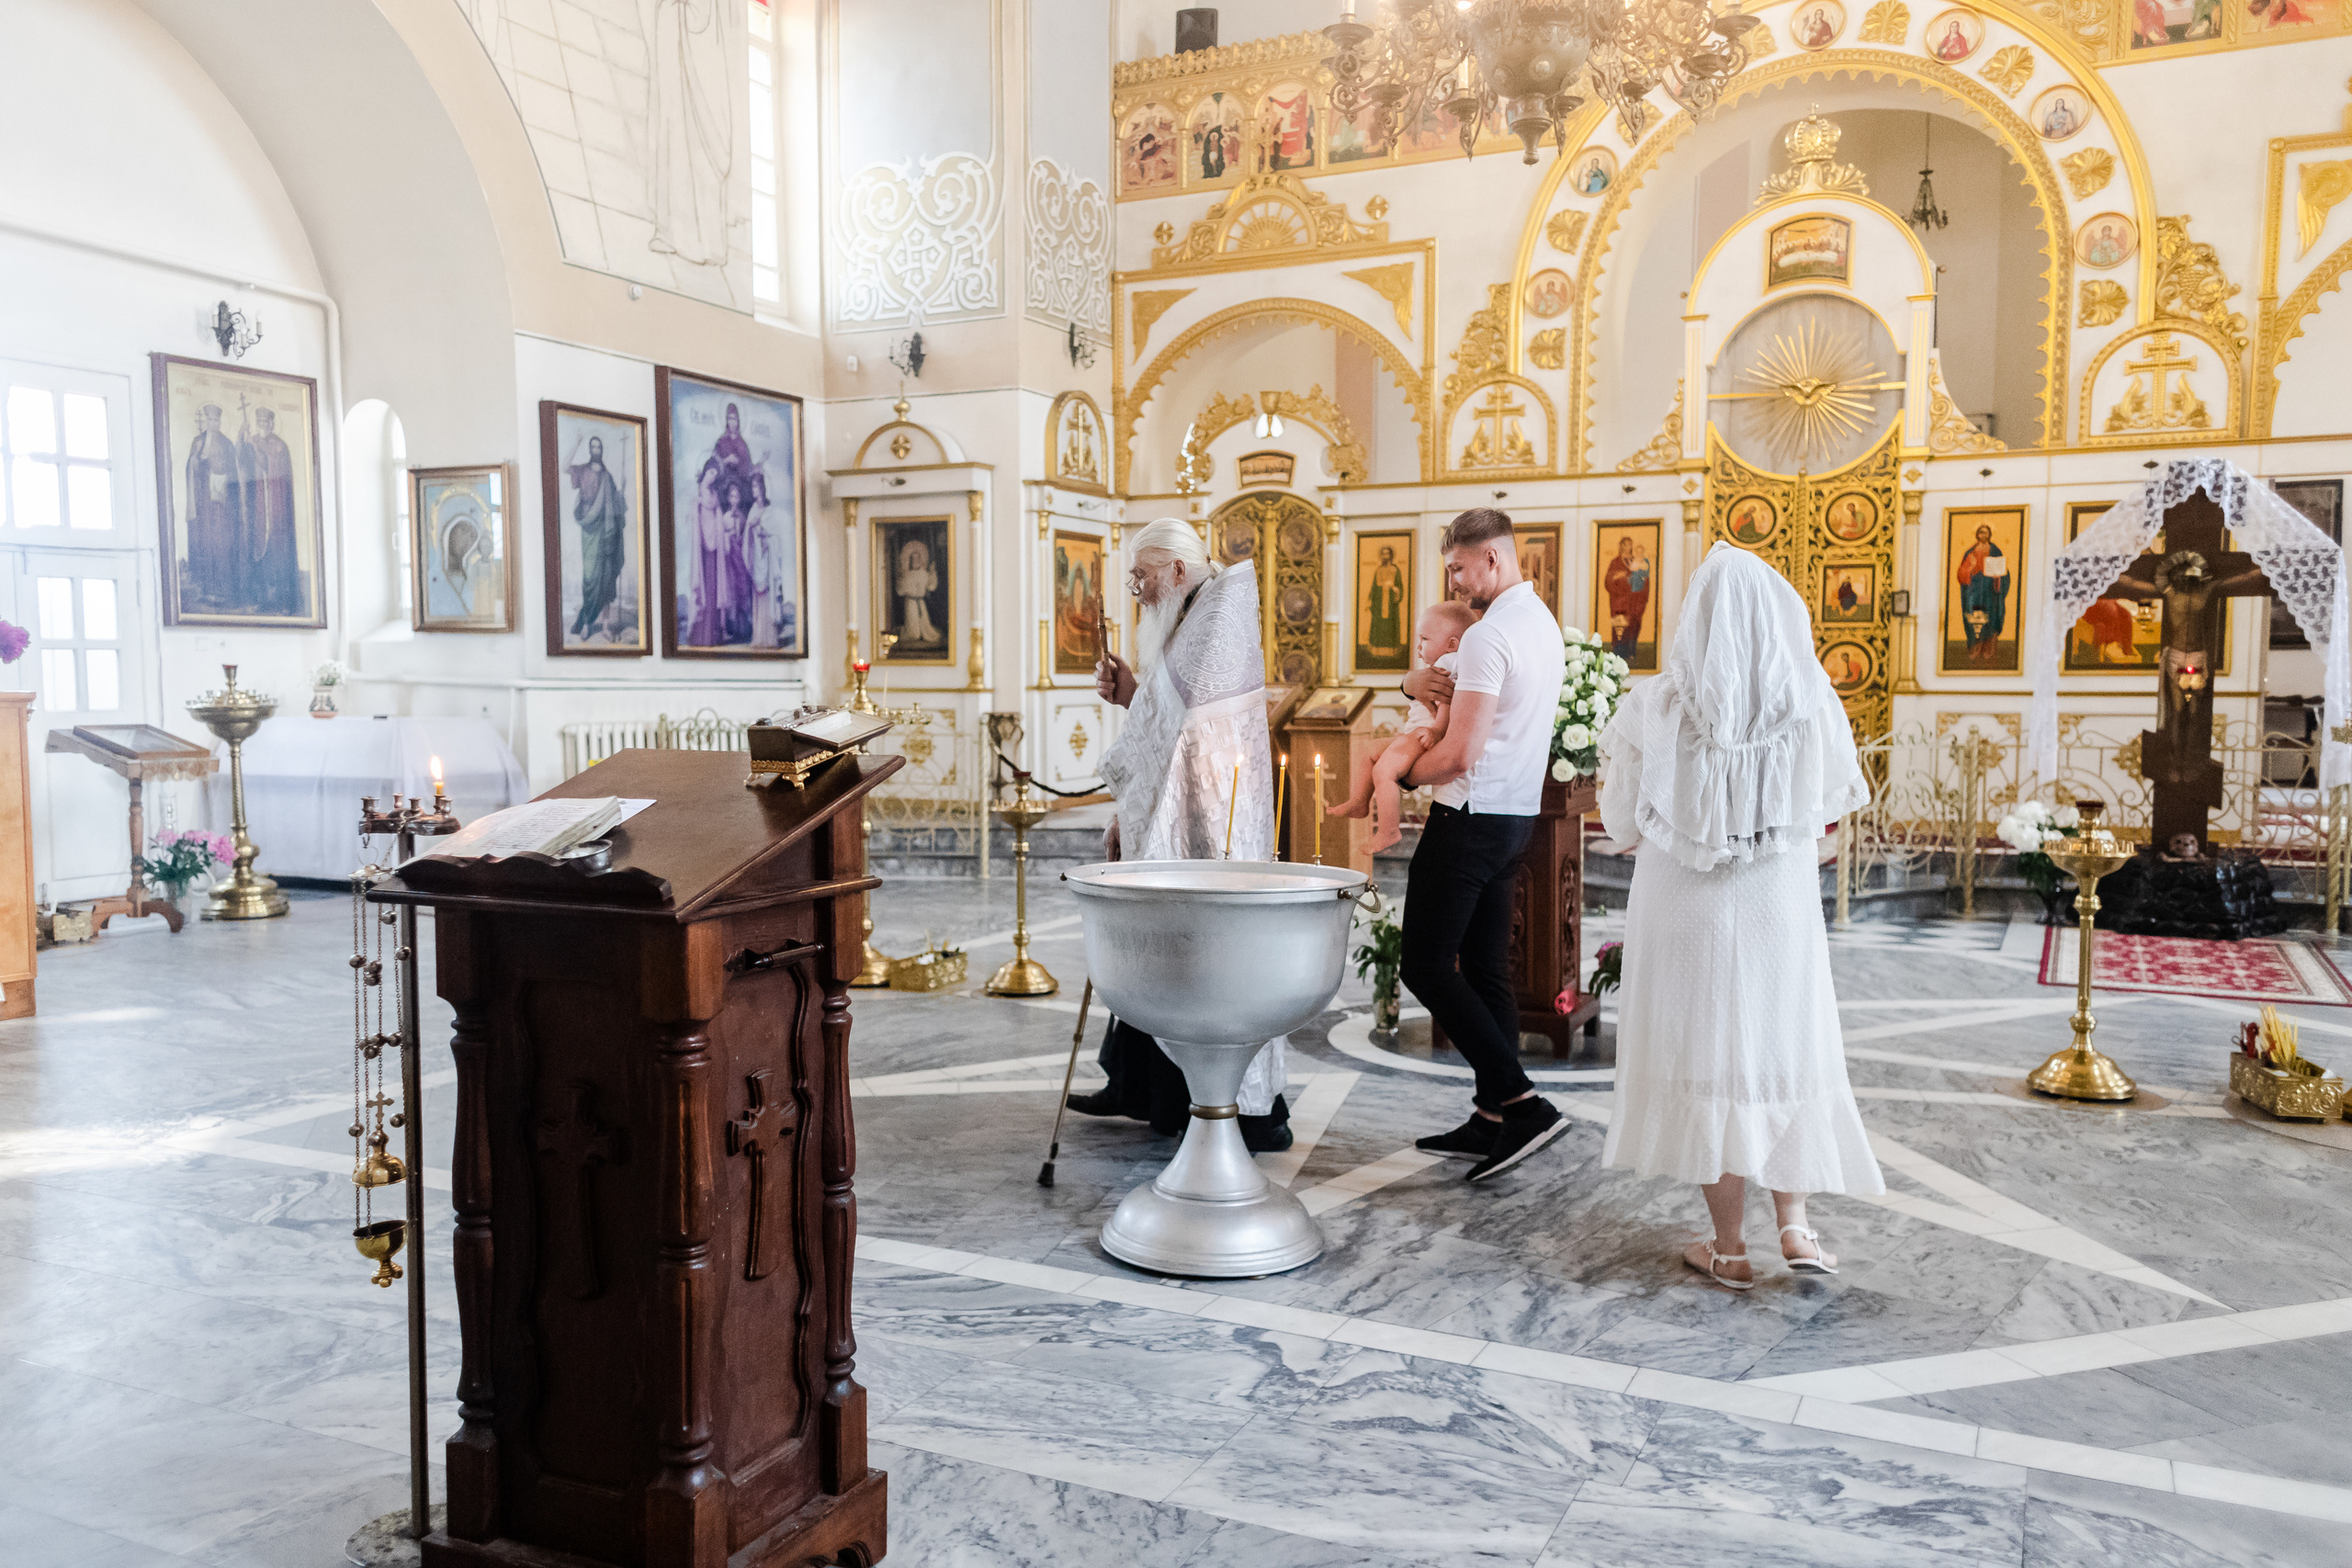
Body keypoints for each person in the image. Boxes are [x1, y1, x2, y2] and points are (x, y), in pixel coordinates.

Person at [1597, 544, 1882, 1289]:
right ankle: (1797, 1226)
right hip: (1775, 901)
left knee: (1705, 1059)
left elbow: (1621, 825)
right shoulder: (1814, 700)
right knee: (1783, 1047)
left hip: (1680, 902)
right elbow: (1828, 825)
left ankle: (1728, 1247)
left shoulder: (1653, 705)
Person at [1069, 517, 1292, 1151]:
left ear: (1175, 571)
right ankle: (1135, 1085)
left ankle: (1231, 1106)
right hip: (1174, 813)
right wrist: (1131, 699)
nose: (1136, 590)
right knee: (1154, 944)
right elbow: (1171, 725)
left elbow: (1189, 739)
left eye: (1142, 577)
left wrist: (1135, 803)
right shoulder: (1191, 619)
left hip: (1206, 824)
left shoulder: (1213, 622)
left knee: (1195, 954)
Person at [1396, 508, 1570, 1181]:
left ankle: (1522, 1102)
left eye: (1459, 567)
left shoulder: (1489, 635)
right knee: (1487, 969)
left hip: (1467, 816)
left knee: (1426, 963)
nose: (1455, 579)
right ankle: (1493, 1114)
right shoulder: (1543, 625)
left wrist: (1406, 771)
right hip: (1513, 818)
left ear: (1492, 560)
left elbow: (1461, 749)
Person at [1329, 601, 1477, 854]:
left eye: (1425, 639)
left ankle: (1388, 830)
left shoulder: (1448, 665)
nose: (1419, 646)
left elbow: (1447, 703)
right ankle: (1360, 802)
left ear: (1452, 644)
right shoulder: (1445, 663)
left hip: (1426, 736)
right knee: (1369, 750)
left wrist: (1436, 731)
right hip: (1418, 733)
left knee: (1384, 771)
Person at [569, 434, 629, 643]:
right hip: (589, 529)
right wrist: (575, 443)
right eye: (593, 447)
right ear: (589, 450)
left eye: (599, 447)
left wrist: (621, 491)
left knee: (606, 578)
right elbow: (564, 467)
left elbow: (616, 504)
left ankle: (604, 626)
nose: (596, 451)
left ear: (601, 451)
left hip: (606, 531)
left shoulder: (607, 476)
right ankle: (586, 624)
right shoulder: (583, 471)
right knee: (590, 579)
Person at [1956, 522, 2009, 663]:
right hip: (1974, 591)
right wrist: (1971, 567)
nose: (1983, 535)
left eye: (1986, 532)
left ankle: (1989, 647)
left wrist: (1999, 576)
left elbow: (2004, 572)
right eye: (1981, 532)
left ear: (1989, 535)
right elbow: (1961, 574)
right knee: (1975, 617)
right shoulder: (1970, 552)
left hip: (1991, 591)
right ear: (1977, 535)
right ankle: (1975, 647)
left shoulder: (1995, 551)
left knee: (1991, 618)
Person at [1604, 536, 1650, 661]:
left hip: (1635, 603)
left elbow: (1644, 581)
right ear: (1620, 546)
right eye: (1624, 544)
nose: (1627, 547)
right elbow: (1608, 582)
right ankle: (1618, 655)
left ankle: (1631, 653)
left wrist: (1642, 598)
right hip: (1619, 604)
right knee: (1620, 628)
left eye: (1629, 544)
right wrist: (1618, 577)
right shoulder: (1615, 562)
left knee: (1634, 627)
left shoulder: (1637, 562)